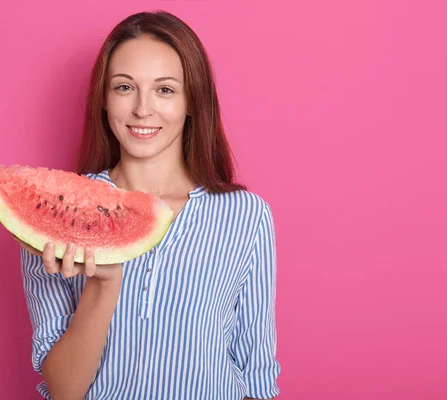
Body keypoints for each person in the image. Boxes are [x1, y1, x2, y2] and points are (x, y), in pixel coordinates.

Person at [15, 10, 281, 400]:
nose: (142, 109)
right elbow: (64, 390)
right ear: (103, 100)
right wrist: (104, 285)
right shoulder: (58, 210)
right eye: (124, 87)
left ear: (192, 102)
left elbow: (255, 374)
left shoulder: (246, 216)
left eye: (165, 90)